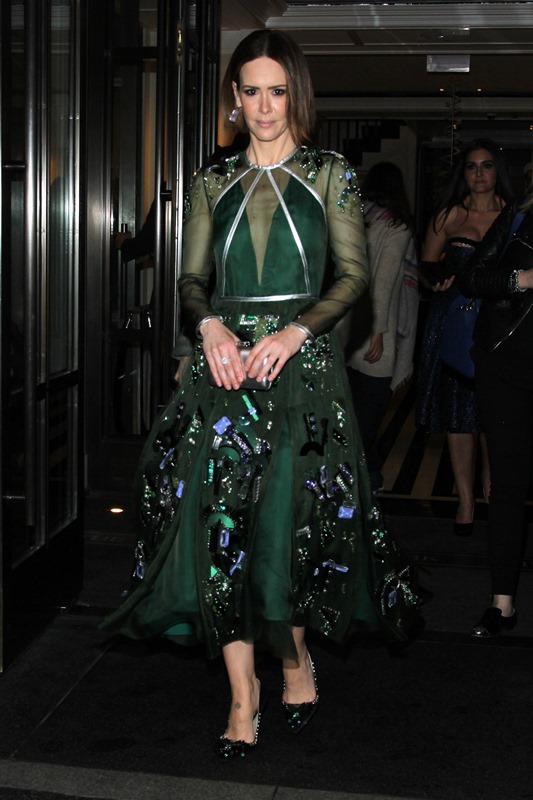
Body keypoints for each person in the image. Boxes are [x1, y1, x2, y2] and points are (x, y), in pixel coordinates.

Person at [100, 29, 420, 758]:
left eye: (278, 91)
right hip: (224, 375)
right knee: (220, 529)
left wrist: (295, 332)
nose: (266, 106)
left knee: (290, 531)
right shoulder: (211, 180)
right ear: (235, 99)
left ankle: (294, 658)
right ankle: (242, 698)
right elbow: (191, 280)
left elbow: (352, 278)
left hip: (302, 375)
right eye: (252, 91)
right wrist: (208, 326)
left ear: (295, 95)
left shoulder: (330, 173)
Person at [416, 139, 513, 535]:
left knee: (495, 412)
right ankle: (465, 501)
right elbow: (426, 264)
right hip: (455, 323)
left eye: (486, 165)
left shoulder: (514, 216)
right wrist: (436, 282)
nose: (479, 173)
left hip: (499, 326)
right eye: (472, 166)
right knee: (459, 414)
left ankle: (493, 490)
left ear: (497, 170)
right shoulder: (449, 215)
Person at [458, 190, 533, 637]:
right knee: (507, 486)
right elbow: (472, 277)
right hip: (505, 368)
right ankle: (502, 603)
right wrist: (523, 278)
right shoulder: (521, 214)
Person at [338, 162, 419, 493]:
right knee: (367, 418)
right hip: (375, 334)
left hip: (344, 331)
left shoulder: (352, 220)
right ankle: (357, 484)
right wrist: (379, 334)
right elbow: (383, 284)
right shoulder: (396, 227)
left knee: (351, 413)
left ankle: (368, 477)